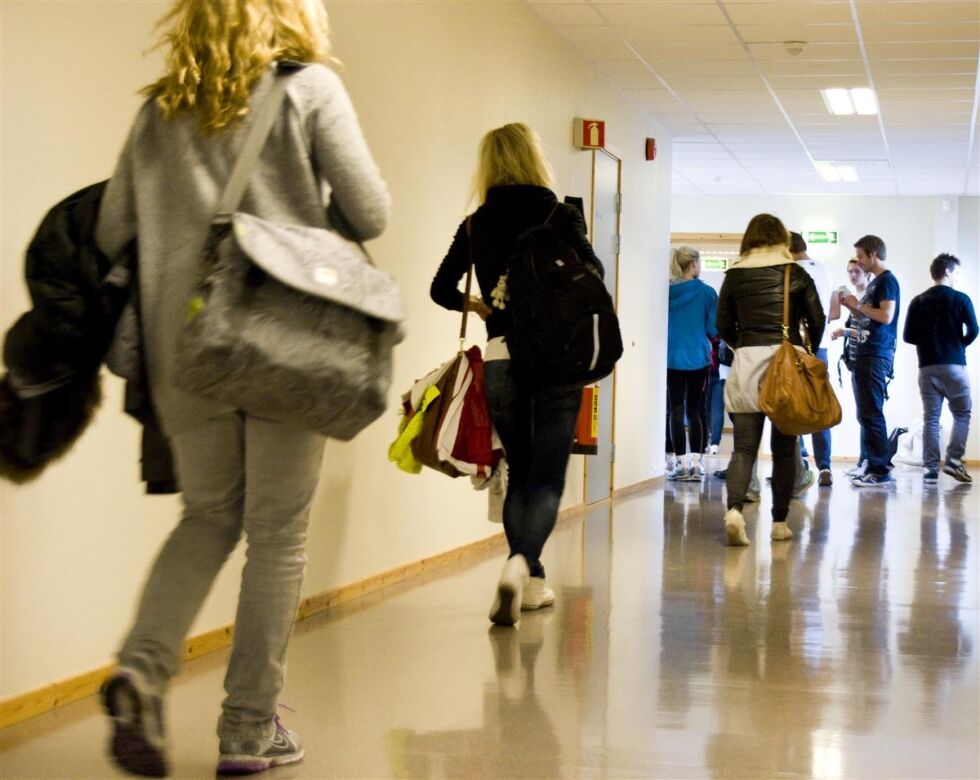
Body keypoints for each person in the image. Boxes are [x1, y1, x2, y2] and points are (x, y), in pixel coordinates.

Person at [95, 2, 391, 775]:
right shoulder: (309, 89)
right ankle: (246, 729)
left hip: (182, 348)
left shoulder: (159, 111)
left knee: (207, 516)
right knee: (278, 533)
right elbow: (370, 211)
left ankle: (141, 667)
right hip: (281, 340)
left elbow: (110, 227)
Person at [430, 122, 603, 626]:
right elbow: (594, 274)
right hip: (556, 363)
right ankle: (521, 565)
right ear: (534, 158)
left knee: (519, 476)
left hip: (503, 357)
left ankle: (530, 579)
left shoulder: (476, 223)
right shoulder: (560, 213)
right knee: (548, 478)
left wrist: (482, 306)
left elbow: (441, 289)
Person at [717, 214, 824, 546]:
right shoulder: (796, 272)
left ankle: (735, 511)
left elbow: (722, 325)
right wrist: (804, 351)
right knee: (784, 449)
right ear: (782, 239)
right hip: (785, 367)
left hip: (747, 363)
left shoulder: (734, 274)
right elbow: (817, 320)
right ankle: (779, 524)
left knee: (744, 448)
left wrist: (744, 344)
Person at [903, 253, 978, 483]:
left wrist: (929, 345)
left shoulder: (918, 300)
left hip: (927, 368)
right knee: (962, 413)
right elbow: (974, 329)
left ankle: (930, 469)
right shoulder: (961, 299)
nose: (956, 277)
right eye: (955, 272)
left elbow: (908, 336)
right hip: (955, 365)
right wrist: (957, 346)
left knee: (931, 419)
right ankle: (954, 461)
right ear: (947, 271)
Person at [840, 235, 901, 487]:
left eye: (862, 257)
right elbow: (868, 318)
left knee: (872, 413)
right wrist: (852, 307)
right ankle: (870, 464)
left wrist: (859, 306)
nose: (860, 262)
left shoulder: (887, 281)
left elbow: (886, 316)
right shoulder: (876, 283)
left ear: (873, 254)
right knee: (865, 413)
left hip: (877, 354)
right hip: (865, 353)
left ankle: (879, 469)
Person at [666, 245, 718, 481]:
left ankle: (680, 464)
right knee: (695, 410)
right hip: (698, 357)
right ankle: (697, 464)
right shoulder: (707, 293)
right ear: (694, 264)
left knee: (675, 411)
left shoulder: (666, 293)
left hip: (672, 357)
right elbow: (712, 328)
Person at [790, 232, 834, 486]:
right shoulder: (826, 270)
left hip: (796, 346)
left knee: (793, 406)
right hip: (822, 347)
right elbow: (834, 310)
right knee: (819, 406)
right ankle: (825, 466)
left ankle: (799, 462)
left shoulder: (791, 271)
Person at [831, 258, 873, 475]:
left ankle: (868, 462)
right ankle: (863, 461)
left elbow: (868, 329)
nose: (852, 275)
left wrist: (844, 332)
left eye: (857, 271)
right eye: (850, 271)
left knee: (867, 415)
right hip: (855, 362)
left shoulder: (866, 300)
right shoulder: (856, 300)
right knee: (862, 414)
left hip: (866, 362)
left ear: (867, 273)